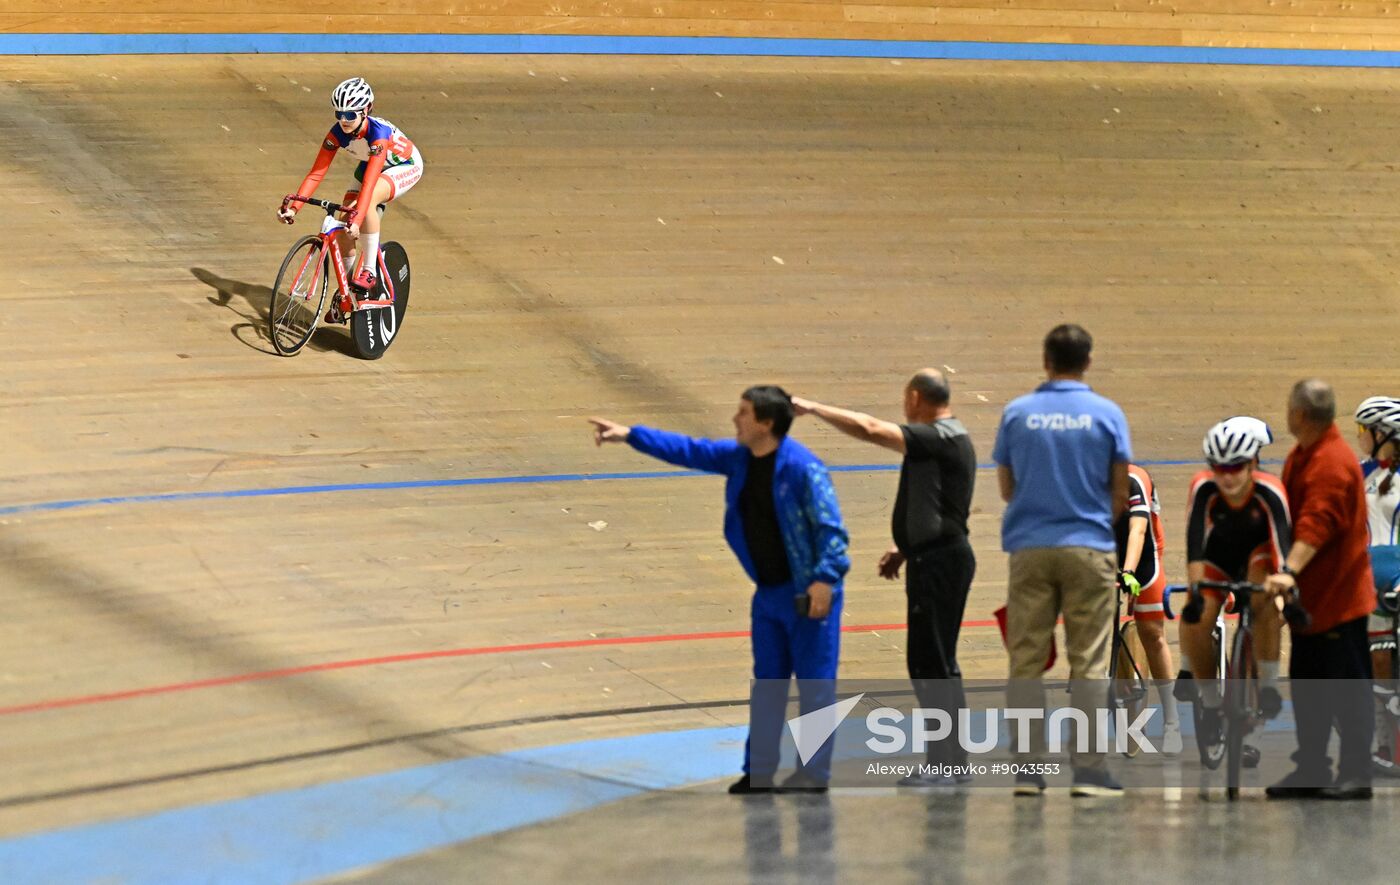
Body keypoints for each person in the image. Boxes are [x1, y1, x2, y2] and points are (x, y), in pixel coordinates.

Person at [589, 386, 850, 793]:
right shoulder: (741, 459)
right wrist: (630, 434)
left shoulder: (803, 469)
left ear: (766, 423)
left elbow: (832, 531)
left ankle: (814, 774)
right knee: (768, 683)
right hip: (768, 594)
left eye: (743, 413)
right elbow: (690, 450)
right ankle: (759, 771)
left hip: (809, 594)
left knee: (814, 685)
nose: (735, 419)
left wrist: (825, 580)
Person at [790, 368, 976, 788]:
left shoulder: (938, 436)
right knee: (936, 662)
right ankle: (951, 759)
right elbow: (941, 507)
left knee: (931, 664)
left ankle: (945, 764)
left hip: (941, 563)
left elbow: (871, 428)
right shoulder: (947, 439)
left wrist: (814, 407)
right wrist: (906, 548)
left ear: (914, 397)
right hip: (935, 558)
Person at [992, 324, 1131, 797]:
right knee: (1089, 661)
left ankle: (1029, 774)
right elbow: (1120, 492)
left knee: (1026, 661)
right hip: (1089, 544)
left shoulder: (1017, 414)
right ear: (1088, 361)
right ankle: (1089, 772)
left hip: (1029, 547)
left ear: (1045, 360)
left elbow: (1007, 488)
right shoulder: (1108, 415)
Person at [1265, 379, 1377, 800]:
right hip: (1313, 601)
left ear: (1298, 415)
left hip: (1339, 599)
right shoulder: (1305, 454)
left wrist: (1289, 571)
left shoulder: (1330, 462)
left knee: (1347, 690)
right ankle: (1311, 766)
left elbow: (1317, 524)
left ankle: (1356, 772)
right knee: (1310, 687)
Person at [1177, 417, 1290, 751]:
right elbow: (1195, 544)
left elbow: (1282, 549)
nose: (1226, 477)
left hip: (1258, 555)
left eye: (1236, 468)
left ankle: (1268, 686)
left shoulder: (1270, 489)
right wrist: (1196, 593)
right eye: (1219, 468)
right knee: (1197, 616)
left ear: (1253, 463)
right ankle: (1211, 705)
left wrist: (1286, 589)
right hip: (1218, 558)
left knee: (1265, 599)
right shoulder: (1203, 487)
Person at [277, 77, 424, 323]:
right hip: (369, 166)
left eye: (350, 115)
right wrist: (295, 208)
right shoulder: (337, 133)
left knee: (368, 204)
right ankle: (345, 292)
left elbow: (369, 186)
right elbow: (316, 172)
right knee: (345, 224)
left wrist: (359, 218)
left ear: (366, 111)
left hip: (403, 166)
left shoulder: (378, 134)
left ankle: (368, 271)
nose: (343, 120)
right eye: (339, 114)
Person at [1115, 462, 1182, 754]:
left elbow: (1138, 531)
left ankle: (1171, 720)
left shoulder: (1135, 479)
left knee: (1152, 633)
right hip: (1105, 547)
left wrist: (1127, 571)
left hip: (1143, 557)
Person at [1350, 397, 1400, 775]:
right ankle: (1384, 747)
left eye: (1364, 431)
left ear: (1385, 435)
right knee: (1378, 661)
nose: (1360, 438)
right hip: (1368, 579)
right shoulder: (1358, 473)